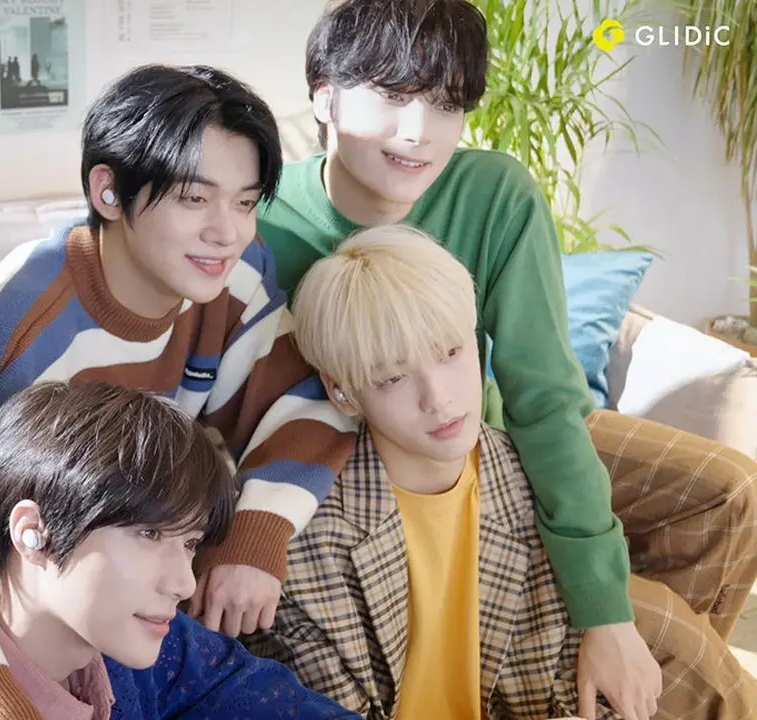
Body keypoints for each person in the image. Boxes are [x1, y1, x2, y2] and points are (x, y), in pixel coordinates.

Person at [255, 0, 757, 714]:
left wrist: (605, 615)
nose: (418, 131)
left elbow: (545, 399)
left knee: (727, 491)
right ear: (324, 96)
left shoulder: (493, 192)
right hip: (377, 474)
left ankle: (600, 676)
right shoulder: (259, 221)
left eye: (446, 103)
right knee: (677, 644)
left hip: (493, 441)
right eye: (393, 96)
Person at [0, 63, 359, 717]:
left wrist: (256, 533)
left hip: (141, 610)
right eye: (194, 199)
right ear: (107, 192)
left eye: (245, 202)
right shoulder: (21, 325)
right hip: (22, 623)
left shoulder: (231, 274)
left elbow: (308, 399)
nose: (228, 231)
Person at [244, 223, 757, 720]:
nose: (438, 398)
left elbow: (580, 682)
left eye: (450, 352)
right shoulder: (301, 543)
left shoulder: (536, 486)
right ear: (342, 393)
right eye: (393, 378)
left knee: (684, 650)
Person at [0, 379, 360, 718]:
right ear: (33, 532)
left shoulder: (148, 645)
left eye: (190, 543)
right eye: (149, 535)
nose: (183, 583)